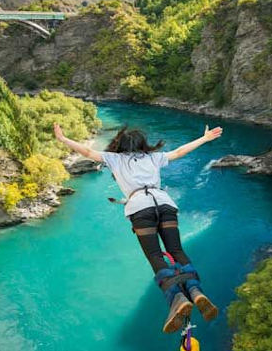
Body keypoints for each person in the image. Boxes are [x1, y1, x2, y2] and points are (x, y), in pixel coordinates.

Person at [54, 123, 223, 333]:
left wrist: (63, 139)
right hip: (164, 203)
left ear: (120, 145)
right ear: (143, 144)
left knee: (155, 255)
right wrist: (205, 138)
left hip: (140, 208)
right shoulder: (154, 157)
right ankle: (196, 291)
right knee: (177, 251)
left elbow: (88, 151)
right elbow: (180, 152)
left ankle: (177, 298)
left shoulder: (115, 159)